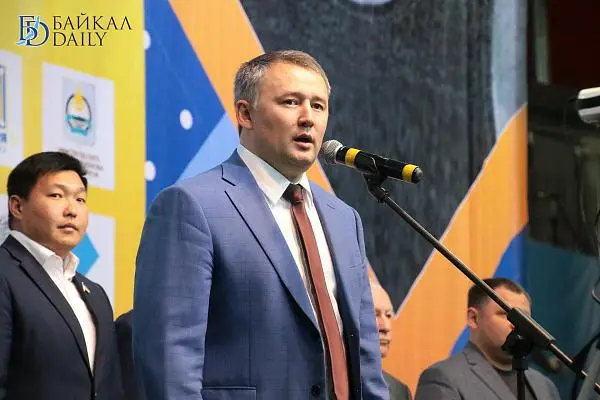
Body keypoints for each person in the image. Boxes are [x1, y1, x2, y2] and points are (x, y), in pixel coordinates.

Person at [133, 50, 389, 400]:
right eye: (290, 102)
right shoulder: (192, 206)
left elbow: (366, 362)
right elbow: (169, 359)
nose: (307, 118)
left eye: (318, 106)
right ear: (245, 113)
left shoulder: (345, 219)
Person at [0, 152, 122, 399]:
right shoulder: (5, 272)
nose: (72, 210)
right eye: (56, 195)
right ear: (17, 206)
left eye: (80, 199)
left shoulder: (95, 294)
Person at [415, 277, 561, 400]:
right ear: (474, 318)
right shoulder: (443, 378)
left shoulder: (545, 386)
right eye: (505, 314)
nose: (518, 324)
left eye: (525, 318)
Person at [370, 281, 412, 400]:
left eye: (388, 315)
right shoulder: (330, 383)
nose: (386, 327)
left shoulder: (401, 392)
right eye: (375, 314)